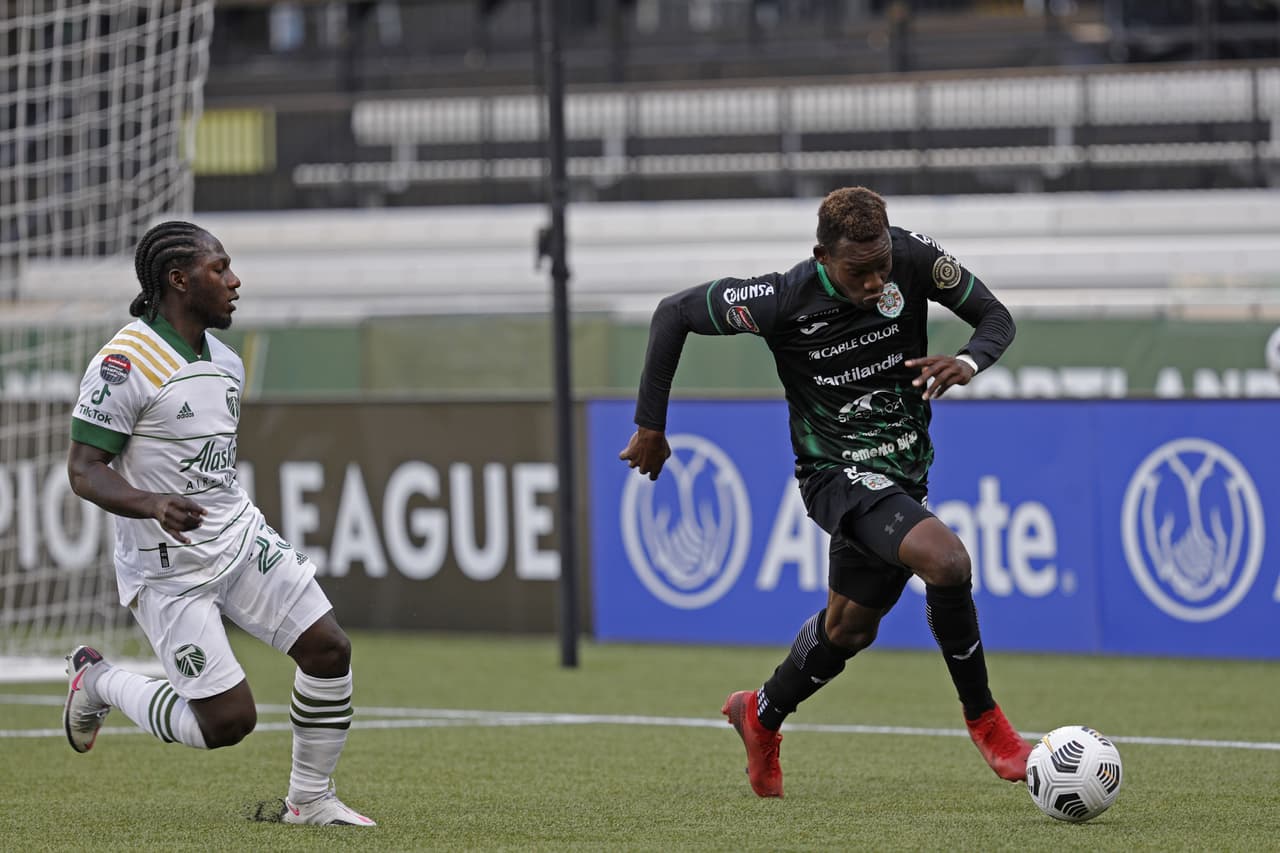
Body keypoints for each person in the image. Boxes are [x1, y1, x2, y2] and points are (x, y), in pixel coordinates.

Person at [618, 186, 1031, 798]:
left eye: (882, 266)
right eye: (858, 272)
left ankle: (759, 713)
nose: (875, 282)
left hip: (903, 473)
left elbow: (996, 317)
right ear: (821, 256)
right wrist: (651, 423)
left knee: (849, 628)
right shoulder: (781, 299)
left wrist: (968, 361)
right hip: (834, 474)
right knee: (946, 562)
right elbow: (673, 313)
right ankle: (989, 725)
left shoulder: (913, 259)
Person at [63, 220, 375, 826]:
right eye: (220, 269)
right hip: (168, 570)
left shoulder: (227, 362)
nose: (235, 282)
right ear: (179, 280)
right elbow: (84, 471)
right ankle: (97, 682)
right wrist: (151, 504)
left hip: (238, 537)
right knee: (227, 724)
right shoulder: (123, 364)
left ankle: (309, 801)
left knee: (329, 650)